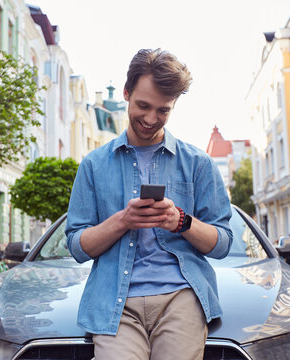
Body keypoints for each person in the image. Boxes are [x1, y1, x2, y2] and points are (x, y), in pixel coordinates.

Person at [65, 49, 233, 360]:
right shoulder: (93, 165)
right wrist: (123, 220)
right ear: (126, 94)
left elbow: (222, 243)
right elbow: (76, 246)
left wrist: (180, 220)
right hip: (115, 302)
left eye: (163, 110)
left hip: (182, 297)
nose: (151, 119)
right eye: (143, 105)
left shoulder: (197, 163)